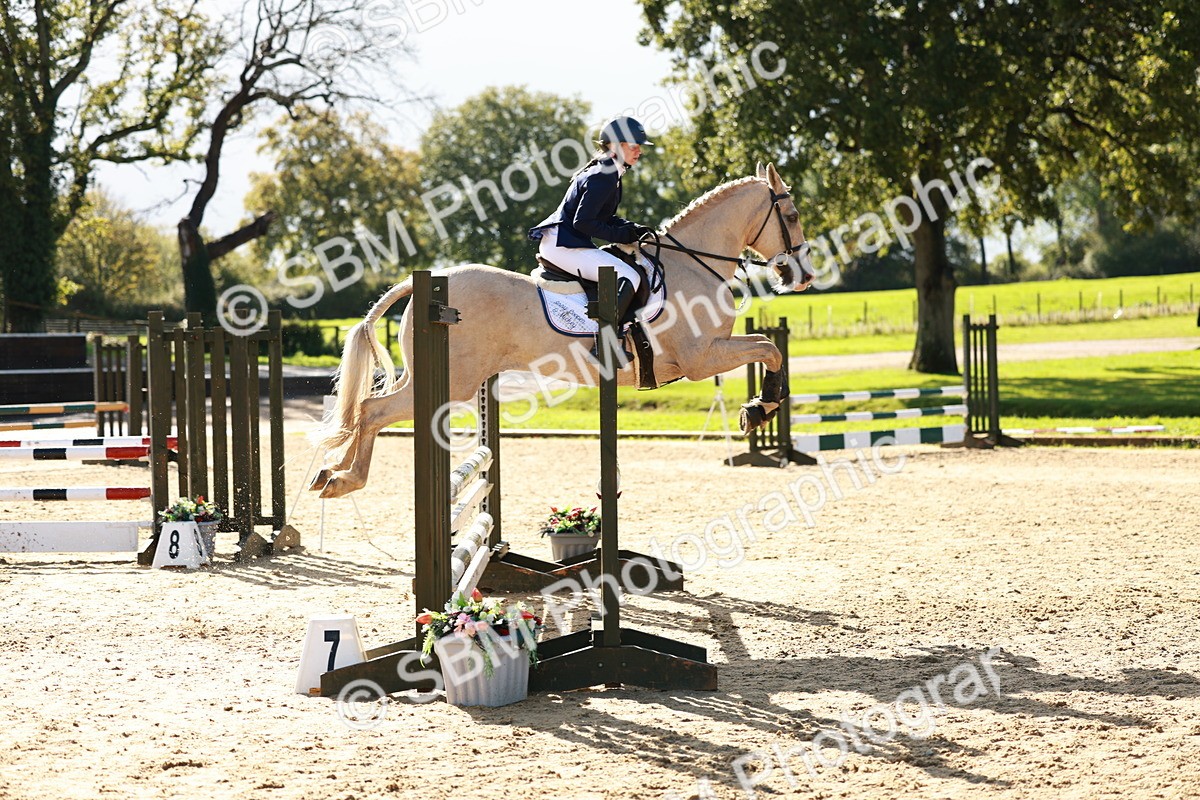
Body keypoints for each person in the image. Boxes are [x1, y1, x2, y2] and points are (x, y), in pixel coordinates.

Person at [529, 116, 655, 359]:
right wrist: (622, 235)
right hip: (563, 246)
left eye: (640, 146)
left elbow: (604, 217)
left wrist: (633, 228)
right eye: (633, 146)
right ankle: (605, 345)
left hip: (566, 242)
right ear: (615, 145)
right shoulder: (605, 173)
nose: (639, 151)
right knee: (628, 276)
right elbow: (583, 222)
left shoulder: (609, 170)